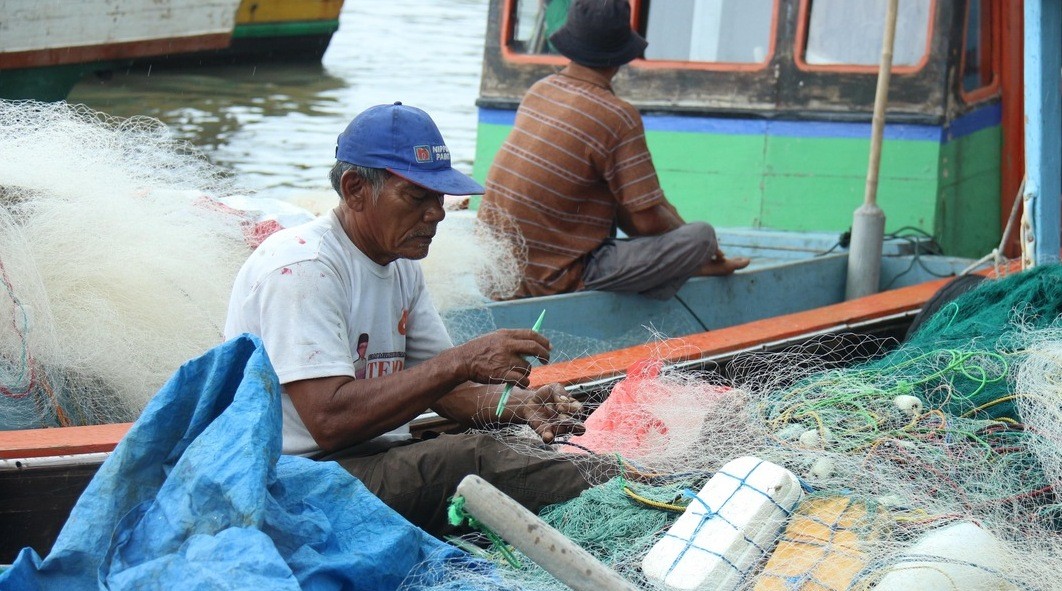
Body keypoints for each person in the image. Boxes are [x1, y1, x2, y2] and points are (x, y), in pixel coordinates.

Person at [224, 102, 598, 537]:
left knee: (493, 447)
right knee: (474, 459)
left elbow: (449, 391)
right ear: (355, 189)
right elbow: (329, 423)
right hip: (298, 482)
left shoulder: (399, 262)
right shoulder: (303, 268)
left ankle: (623, 489)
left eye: (438, 196)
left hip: (364, 460)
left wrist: (518, 406)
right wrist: (462, 359)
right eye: (417, 196)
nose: (437, 213)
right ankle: (639, 491)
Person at [478, 0, 750, 300]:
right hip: (555, 278)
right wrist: (697, 251)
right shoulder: (617, 116)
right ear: (619, 56)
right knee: (701, 236)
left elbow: (640, 208)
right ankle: (689, 265)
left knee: (631, 204)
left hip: (496, 274)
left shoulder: (539, 90)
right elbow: (648, 221)